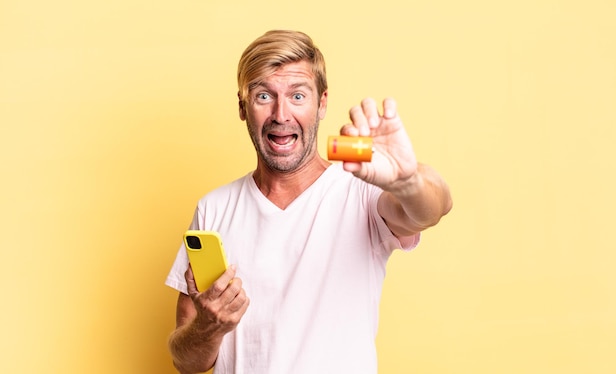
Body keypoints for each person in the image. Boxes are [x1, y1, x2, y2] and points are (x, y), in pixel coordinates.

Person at [166, 29, 452, 374]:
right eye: (263, 96)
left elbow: (432, 207)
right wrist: (208, 328)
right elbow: (185, 362)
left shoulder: (360, 192)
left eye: (298, 96)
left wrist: (407, 182)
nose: (281, 115)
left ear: (322, 104)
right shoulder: (213, 208)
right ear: (243, 108)